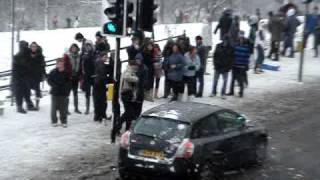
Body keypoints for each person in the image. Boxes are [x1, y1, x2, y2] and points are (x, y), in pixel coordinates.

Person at [113, 57, 147, 136]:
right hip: (126, 94)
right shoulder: (128, 71)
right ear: (133, 66)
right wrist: (136, 79)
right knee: (129, 113)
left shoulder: (131, 71)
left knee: (129, 114)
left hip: (129, 95)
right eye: (136, 66)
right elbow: (127, 77)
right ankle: (117, 127)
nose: (137, 67)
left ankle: (125, 130)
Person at [12, 41, 37, 113]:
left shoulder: (26, 54)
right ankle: (19, 107)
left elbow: (32, 60)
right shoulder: (17, 56)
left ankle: (29, 105)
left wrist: (31, 54)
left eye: (27, 46)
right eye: (25, 46)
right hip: (18, 78)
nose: (26, 48)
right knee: (19, 93)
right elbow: (25, 64)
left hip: (25, 77)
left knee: (27, 91)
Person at [75, 32, 95, 114]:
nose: (87, 47)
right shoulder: (83, 55)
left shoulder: (93, 54)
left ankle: (94, 108)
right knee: (87, 92)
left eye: (89, 46)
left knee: (94, 93)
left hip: (93, 75)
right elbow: (81, 64)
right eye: (86, 46)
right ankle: (87, 109)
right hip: (86, 75)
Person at [47, 59, 72, 128]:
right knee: (53, 108)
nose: (60, 65)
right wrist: (54, 85)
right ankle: (54, 121)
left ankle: (64, 121)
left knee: (63, 109)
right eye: (59, 63)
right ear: (57, 64)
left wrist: (67, 90)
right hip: (54, 93)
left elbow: (69, 83)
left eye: (62, 63)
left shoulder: (67, 73)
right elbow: (49, 80)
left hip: (63, 93)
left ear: (63, 64)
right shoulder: (52, 72)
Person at [227, 31, 252, 98]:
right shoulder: (236, 45)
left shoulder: (245, 45)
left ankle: (241, 92)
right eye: (239, 35)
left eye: (241, 35)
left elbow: (247, 56)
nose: (240, 38)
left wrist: (245, 64)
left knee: (240, 79)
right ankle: (231, 91)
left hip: (241, 65)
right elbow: (233, 54)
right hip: (235, 65)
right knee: (233, 79)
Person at [93, 52, 113, 122]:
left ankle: (99, 116)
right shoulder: (101, 63)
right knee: (102, 101)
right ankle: (101, 116)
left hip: (99, 84)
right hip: (101, 85)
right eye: (105, 57)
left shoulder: (100, 62)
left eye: (107, 57)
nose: (106, 58)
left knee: (100, 101)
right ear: (101, 57)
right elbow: (103, 75)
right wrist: (106, 84)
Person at [29, 42, 46, 110]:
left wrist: (44, 74)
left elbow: (43, 66)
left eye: (34, 46)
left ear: (37, 47)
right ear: (30, 47)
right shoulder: (27, 54)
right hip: (29, 76)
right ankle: (29, 104)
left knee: (37, 91)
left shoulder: (40, 55)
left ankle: (37, 104)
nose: (33, 48)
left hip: (37, 76)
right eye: (32, 46)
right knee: (27, 89)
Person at [65, 44, 82, 114]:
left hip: (76, 77)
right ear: (70, 49)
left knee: (75, 93)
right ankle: (66, 109)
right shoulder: (68, 56)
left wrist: (80, 75)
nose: (74, 49)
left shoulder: (79, 56)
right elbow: (65, 66)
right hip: (69, 77)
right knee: (67, 94)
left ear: (77, 49)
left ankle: (76, 108)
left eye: (75, 48)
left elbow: (81, 66)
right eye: (72, 48)